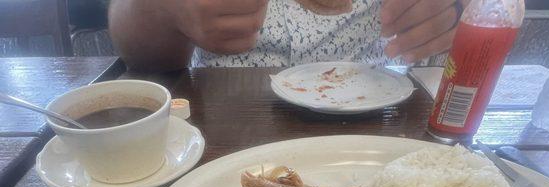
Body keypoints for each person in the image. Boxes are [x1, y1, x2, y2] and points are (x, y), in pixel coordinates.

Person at [109, 0, 467, 71]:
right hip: (218, 122)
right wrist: (155, 8)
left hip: (375, 116)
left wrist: (462, 10)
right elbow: (142, 62)